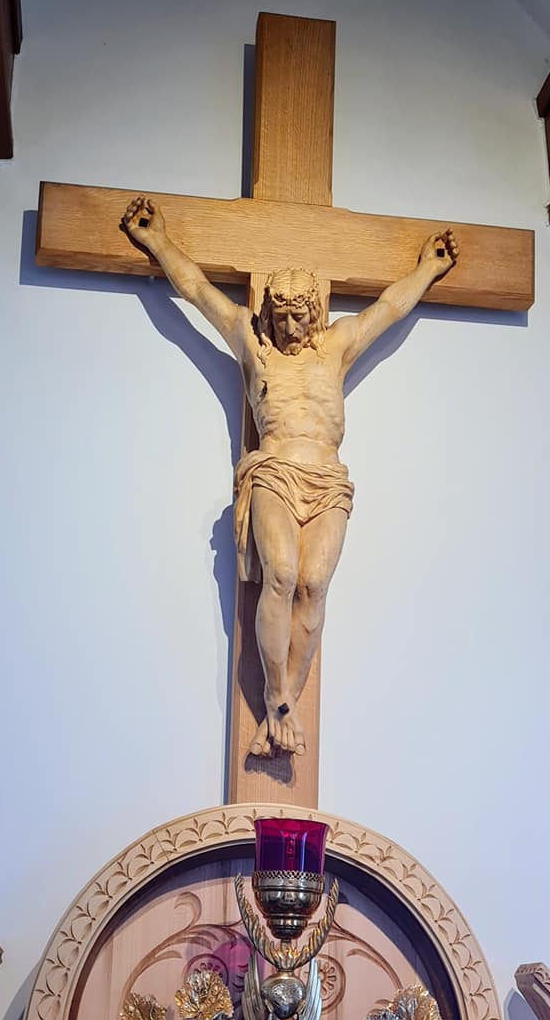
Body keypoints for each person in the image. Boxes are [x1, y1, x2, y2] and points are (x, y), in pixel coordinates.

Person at [122, 197, 458, 758]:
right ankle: (277, 699)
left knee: (314, 584)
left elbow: (389, 309)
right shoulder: (253, 344)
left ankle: (282, 709)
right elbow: (199, 290)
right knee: (279, 573)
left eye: (299, 315)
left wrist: (427, 269)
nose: (290, 325)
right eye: (281, 315)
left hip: (328, 480)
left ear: (315, 311)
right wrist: (156, 241)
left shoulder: (337, 346)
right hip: (275, 470)